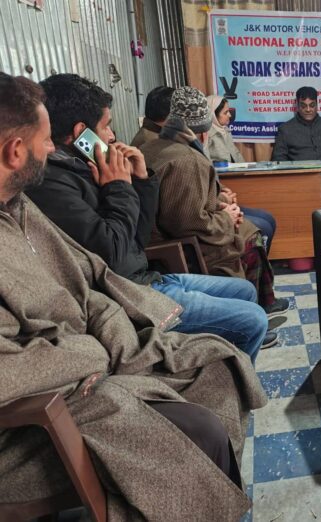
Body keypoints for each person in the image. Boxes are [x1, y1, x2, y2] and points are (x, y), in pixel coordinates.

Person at [0, 72, 267, 521]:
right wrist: (99, 351)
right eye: (44, 140)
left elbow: (93, 277)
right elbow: (14, 367)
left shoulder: (20, 206)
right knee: (203, 422)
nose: (50, 148)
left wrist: (135, 184)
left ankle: (216, 492)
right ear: (15, 151)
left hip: (103, 343)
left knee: (218, 363)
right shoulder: (50, 188)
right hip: (44, 413)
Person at [26, 74, 277, 361]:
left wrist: (141, 180)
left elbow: (138, 237)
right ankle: (232, 377)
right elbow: (112, 250)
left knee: (244, 290)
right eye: (106, 126)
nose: (112, 136)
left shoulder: (87, 166)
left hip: (146, 277)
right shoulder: (53, 184)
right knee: (253, 319)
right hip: (128, 294)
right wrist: (118, 186)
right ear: (81, 132)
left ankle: (232, 368)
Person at [140, 86, 289, 317]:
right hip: (182, 245)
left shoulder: (151, 147)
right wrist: (226, 218)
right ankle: (251, 313)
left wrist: (219, 204)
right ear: (203, 130)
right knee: (251, 236)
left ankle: (259, 306)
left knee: (251, 226)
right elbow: (188, 223)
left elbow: (184, 199)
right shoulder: (188, 160)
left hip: (160, 236)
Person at [206, 94, 277, 252]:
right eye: (225, 112)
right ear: (213, 114)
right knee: (263, 225)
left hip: (231, 188)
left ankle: (261, 262)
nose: (230, 116)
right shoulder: (206, 136)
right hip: (222, 191)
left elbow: (237, 158)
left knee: (268, 218)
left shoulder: (225, 132)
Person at [271, 86, 321, 207]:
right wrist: (296, 174)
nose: (308, 109)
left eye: (312, 105)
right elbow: (278, 159)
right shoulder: (285, 129)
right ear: (297, 106)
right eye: (303, 106)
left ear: (317, 105)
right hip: (298, 180)